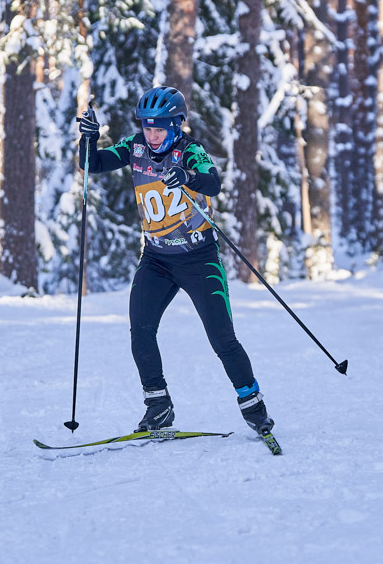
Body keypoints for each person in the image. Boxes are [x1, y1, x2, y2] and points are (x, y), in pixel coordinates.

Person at [76, 86, 274, 437]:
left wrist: (187, 176)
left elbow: (212, 183)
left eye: (160, 128)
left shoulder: (190, 150)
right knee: (141, 331)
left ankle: (254, 407)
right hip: (156, 260)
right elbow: (94, 164)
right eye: (148, 127)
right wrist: (89, 140)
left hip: (199, 259)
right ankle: (158, 407)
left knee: (222, 339)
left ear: (177, 125)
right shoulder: (135, 147)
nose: (152, 135)